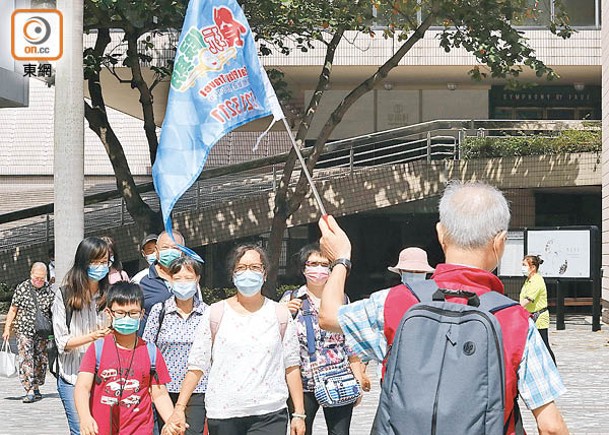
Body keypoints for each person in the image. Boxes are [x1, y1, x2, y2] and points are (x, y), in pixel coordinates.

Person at [317, 181, 569, 435]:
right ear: (500, 242)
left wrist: (340, 258)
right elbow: (550, 427)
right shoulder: (515, 320)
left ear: (440, 234)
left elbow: (328, 316)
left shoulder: (397, 302)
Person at [164, 245, 305, 435]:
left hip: (269, 413)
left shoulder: (279, 313)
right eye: (241, 268)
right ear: (233, 274)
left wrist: (299, 413)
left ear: (264, 274)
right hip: (224, 413)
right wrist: (179, 409)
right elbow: (197, 366)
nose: (248, 273)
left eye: (255, 267)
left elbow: (291, 366)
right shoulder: (215, 313)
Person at [280, 243, 367, 435]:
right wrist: (282, 315)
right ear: (303, 268)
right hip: (303, 383)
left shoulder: (342, 300)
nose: (318, 269)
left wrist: (358, 380)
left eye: (324, 264)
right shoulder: (291, 299)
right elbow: (275, 340)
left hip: (338, 379)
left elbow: (350, 345)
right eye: (312, 264)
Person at [74, 282, 175, 435]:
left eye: (133, 313)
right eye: (120, 313)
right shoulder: (98, 348)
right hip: (102, 429)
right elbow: (82, 387)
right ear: (109, 313)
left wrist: (171, 421)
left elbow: (159, 394)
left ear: (141, 314)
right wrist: (85, 417)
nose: (127, 318)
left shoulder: (151, 352)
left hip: (140, 429)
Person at [52, 237, 113, 434]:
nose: (100, 267)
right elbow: (63, 342)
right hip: (73, 376)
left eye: (104, 262)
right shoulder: (65, 295)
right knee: (81, 430)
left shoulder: (110, 294)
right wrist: (94, 336)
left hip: (105, 377)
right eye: (95, 262)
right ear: (83, 263)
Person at [143, 256, 209, 435]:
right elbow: (147, 348)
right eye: (177, 278)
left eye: (188, 278)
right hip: (162, 387)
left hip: (198, 389)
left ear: (197, 280)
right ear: (170, 280)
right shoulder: (160, 310)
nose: (183, 283)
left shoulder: (207, 313)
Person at [2, 262, 55, 402]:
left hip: (42, 332)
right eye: (36, 278)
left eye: (42, 278)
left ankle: (36, 386)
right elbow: (13, 309)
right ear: (31, 274)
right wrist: (7, 329)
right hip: (24, 329)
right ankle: (29, 389)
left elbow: (54, 312)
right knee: (26, 359)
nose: (39, 281)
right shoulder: (22, 288)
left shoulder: (49, 290)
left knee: (40, 360)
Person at [138, 231, 185, 334]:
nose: (170, 252)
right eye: (165, 248)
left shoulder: (189, 279)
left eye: (175, 248)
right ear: (157, 251)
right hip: (150, 346)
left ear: (183, 252)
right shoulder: (140, 280)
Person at [521, 254, 556, 363]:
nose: (522, 267)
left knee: (544, 345)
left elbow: (528, 299)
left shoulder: (537, 280)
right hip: (530, 316)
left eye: (524, 265)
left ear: (533, 268)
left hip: (539, 318)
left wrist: (515, 308)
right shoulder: (529, 280)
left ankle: (552, 367)